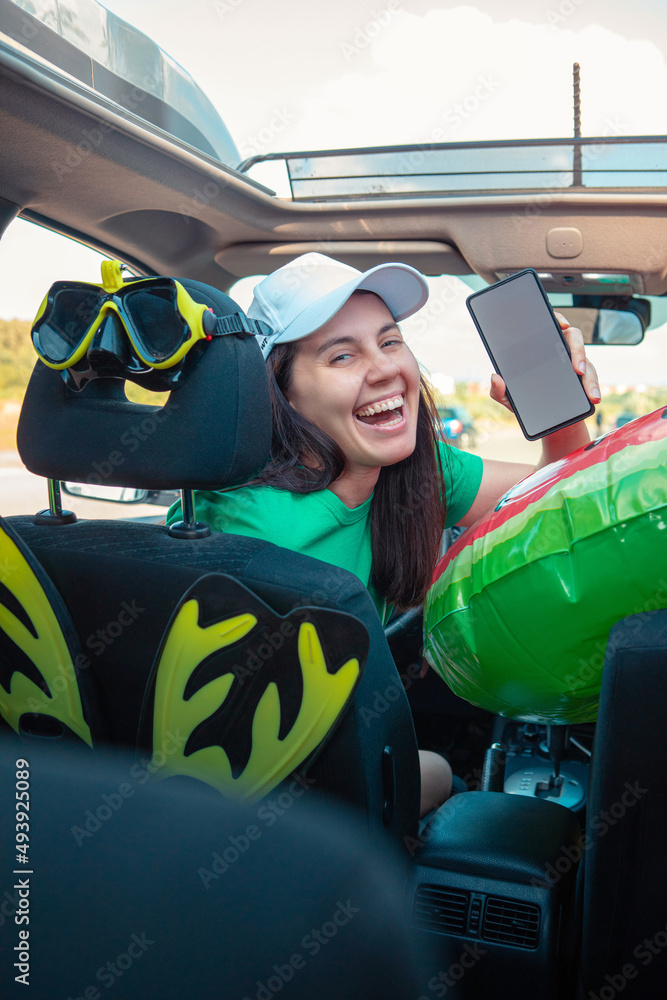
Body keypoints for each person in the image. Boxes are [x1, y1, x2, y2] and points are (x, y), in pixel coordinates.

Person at [167, 252, 600, 816]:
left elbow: (562, 494)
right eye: (342, 354)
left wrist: (559, 409)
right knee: (443, 774)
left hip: (320, 739)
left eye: (390, 341)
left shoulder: (421, 470)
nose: (384, 369)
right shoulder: (242, 520)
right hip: (250, 790)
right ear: (282, 392)